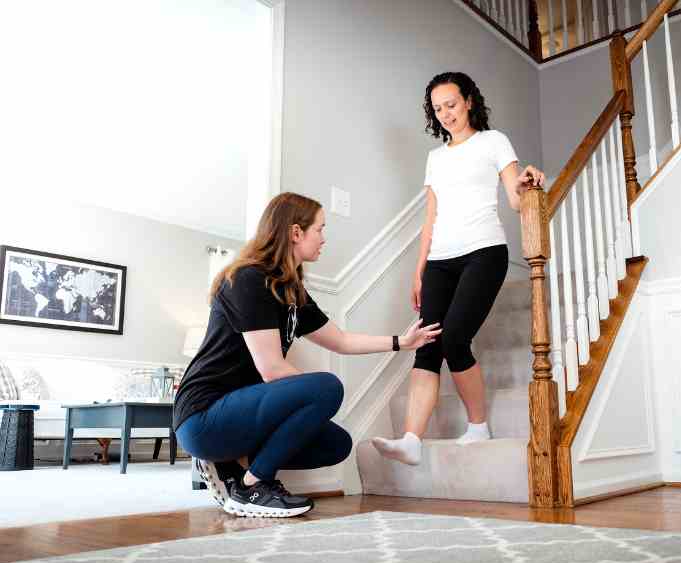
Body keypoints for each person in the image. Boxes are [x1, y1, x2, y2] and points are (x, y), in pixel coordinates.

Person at [174, 192, 440, 518]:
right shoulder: (248, 279)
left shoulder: (290, 291)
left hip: (240, 413)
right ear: (296, 232)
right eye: (320, 228)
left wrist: (402, 342)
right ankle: (252, 487)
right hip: (203, 415)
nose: (324, 238)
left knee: (336, 444)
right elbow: (272, 369)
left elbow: (341, 340)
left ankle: (233, 466)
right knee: (327, 387)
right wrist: (315, 397)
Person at [372, 72, 545, 465]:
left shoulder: (494, 141)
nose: (446, 113)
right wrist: (419, 271)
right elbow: (430, 217)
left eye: (451, 104)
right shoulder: (436, 158)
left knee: (454, 339)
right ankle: (411, 440)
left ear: (469, 101)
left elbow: (515, 198)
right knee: (427, 344)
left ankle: (478, 425)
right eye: (438, 109)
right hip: (439, 260)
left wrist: (527, 181)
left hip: (484, 251)